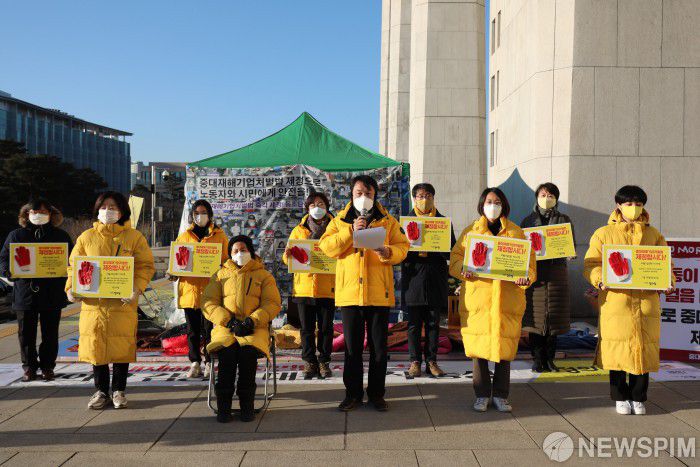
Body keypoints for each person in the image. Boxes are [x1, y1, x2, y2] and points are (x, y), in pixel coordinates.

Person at [319, 175, 409, 412]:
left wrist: (387, 251)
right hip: (350, 295)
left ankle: (377, 394)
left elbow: (403, 247)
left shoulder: (388, 221)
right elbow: (327, 247)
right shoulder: (339, 220)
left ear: (375, 195)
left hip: (379, 294)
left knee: (379, 349)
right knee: (352, 349)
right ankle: (353, 394)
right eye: (359, 193)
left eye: (368, 193)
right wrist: (350, 231)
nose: (363, 198)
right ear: (351, 195)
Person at [583, 185, 675, 416]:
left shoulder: (654, 235)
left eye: (638, 204)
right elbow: (591, 264)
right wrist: (600, 279)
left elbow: (666, 265)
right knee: (617, 350)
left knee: (643, 350)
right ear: (618, 205)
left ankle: (638, 396)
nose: (634, 208)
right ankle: (619, 396)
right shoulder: (603, 233)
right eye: (629, 203)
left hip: (646, 303)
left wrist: (669, 281)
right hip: (617, 302)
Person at [449, 188, 536, 413]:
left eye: (497, 202)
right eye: (489, 201)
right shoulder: (471, 232)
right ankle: (481, 395)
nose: (493, 206)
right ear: (482, 205)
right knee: (478, 351)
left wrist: (525, 278)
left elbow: (530, 265)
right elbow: (455, 259)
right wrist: (462, 270)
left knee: (504, 350)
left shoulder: (516, 232)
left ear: (504, 205)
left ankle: (500, 395)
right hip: (479, 300)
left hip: (508, 300)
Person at [66, 191, 155, 410]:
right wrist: (71, 288)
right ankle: (101, 391)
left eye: (113, 207)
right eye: (104, 207)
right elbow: (73, 266)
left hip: (122, 304)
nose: (108, 211)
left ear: (122, 211)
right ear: (97, 210)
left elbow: (145, 266)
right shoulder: (86, 237)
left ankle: (119, 390)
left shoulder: (134, 237)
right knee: (96, 348)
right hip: (94, 305)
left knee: (121, 346)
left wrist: (136, 288)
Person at [202, 235, 281, 423]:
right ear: (230, 254)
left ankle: (247, 406)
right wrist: (229, 322)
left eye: (243, 250)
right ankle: (223, 407)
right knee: (227, 356)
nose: (240, 253)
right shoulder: (219, 275)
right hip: (226, 328)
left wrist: (251, 321)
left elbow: (272, 303)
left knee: (247, 356)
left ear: (251, 251)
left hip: (255, 328)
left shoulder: (264, 276)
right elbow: (208, 303)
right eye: (235, 251)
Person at [0, 199, 73, 382]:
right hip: (25, 292)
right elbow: (4, 258)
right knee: (25, 333)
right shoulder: (16, 235)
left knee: (50, 333)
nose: (39, 215)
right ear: (27, 214)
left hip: (52, 292)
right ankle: (29, 367)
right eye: (35, 212)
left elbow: (72, 260)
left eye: (43, 212)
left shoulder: (61, 236)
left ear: (51, 214)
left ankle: (48, 367)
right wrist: (8, 272)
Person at [170, 200, 229, 379]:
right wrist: (173, 272)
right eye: (197, 213)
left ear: (209, 215)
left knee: (210, 329)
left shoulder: (220, 236)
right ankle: (195, 362)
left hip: (211, 292)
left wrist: (221, 268)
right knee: (193, 331)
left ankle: (210, 362)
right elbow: (177, 263)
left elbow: (226, 261)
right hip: (190, 291)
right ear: (192, 215)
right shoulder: (184, 237)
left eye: (203, 212)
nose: (200, 216)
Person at [401, 183, 455, 378]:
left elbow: (451, 251)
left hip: (435, 279)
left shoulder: (443, 223)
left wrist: (438, 246)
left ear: (433, 198)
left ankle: (431, 361)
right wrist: (412, 247)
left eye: (429, 196)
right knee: (413, 325)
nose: (425, 199)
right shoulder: (405, 223)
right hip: (413, 280)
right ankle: (414, 361)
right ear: (414, 199)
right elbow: (399, 253)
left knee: (433, 324)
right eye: (421, 196)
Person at [520, 183, 574, 372]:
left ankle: (550, 358)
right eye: (543, 195)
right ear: (536, 197)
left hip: (556, 274)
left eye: (550, 195)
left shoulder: (564, 220)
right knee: (535, 320)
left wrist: (570, 252)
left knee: (554, 321)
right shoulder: (527, 221)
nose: (546, 198)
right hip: (535, 275)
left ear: (556, 199)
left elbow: (571, 244)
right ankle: (537, 358)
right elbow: (521, 248)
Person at [282, 192, 336, 379]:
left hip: (328, 287)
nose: (317, 208)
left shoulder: (335, 228)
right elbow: (287, 258)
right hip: (304, 287)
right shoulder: (298, 230)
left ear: (327, 206)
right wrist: (287, 255)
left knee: (326, 328)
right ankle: (309, 361)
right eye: (313, 205)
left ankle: (324, 361)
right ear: (307, 209)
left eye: (321, 204)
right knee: (306, 329)